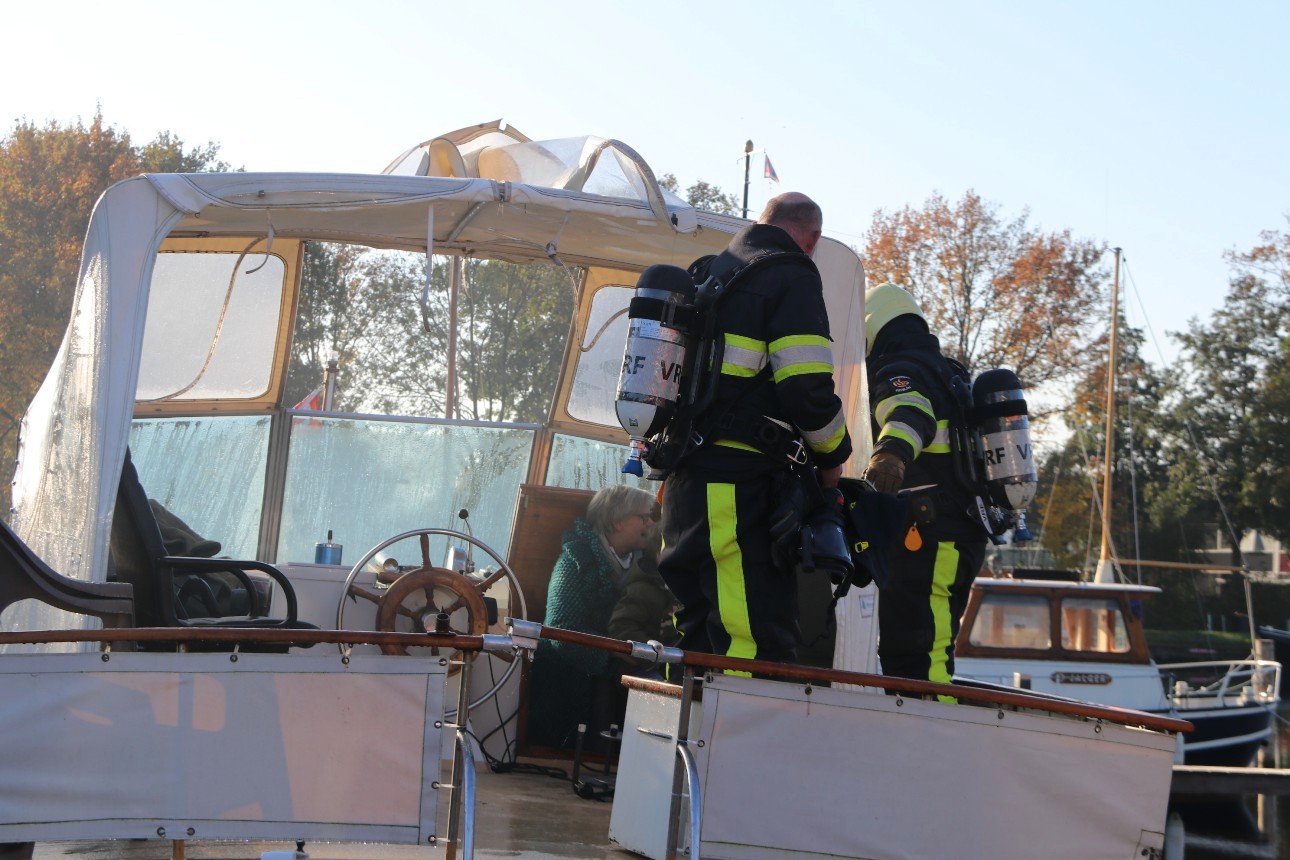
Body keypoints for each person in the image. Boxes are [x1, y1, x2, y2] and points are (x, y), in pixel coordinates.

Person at [657, 192, 852, 665]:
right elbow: (806, 387)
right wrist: (834, 457)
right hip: (738, 488)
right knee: (752, 642)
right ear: (812, 238)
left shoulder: (712, 272)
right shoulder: (792, 274)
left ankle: (684, 714)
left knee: (695, 636)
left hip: (684, 483)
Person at [860, 282, 988, 702]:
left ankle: (932, 730)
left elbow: (910, 411)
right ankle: (913, 726)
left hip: (934, 535)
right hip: (949, 533)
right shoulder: (945, 371)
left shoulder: (902, 368)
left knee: (923, 654)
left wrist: (891, 454)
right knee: (910, 650)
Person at [526, 484, 660, 749]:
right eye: (644, 517)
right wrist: (613, 653)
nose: (651, 524)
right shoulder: (574, 562)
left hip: (626, 673)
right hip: (569, 680)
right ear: (618, 522)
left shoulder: (647, 566)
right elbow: (560, 630)